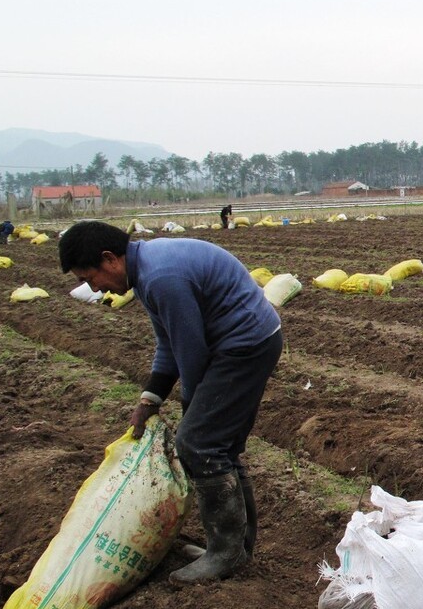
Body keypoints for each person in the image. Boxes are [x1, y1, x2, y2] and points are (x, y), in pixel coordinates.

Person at [58, 221, 283, 584]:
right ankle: (234, 550)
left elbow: (191, 352)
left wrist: (192, 410)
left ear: (109, 259)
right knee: (216, 446)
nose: (95, 289)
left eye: (90, 278)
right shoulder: (146, 273)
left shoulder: (161, 277)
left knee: (199, 444)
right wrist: (150, 399)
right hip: (240, 342)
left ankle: (225, 554)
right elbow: (169, 343)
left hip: (246, 344)